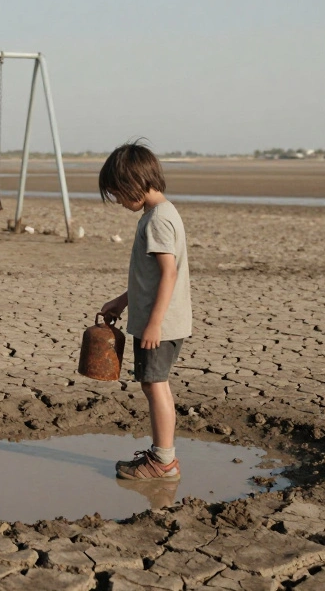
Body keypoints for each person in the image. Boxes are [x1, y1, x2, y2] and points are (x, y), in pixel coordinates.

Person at [98, 141, 192, 480]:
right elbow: (151, 277)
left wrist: (154, 324)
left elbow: (169, 273)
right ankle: (161, 456)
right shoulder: (161, 213)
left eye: (119, 194)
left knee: (155, 385)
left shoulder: (157, 221)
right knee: (154, 384)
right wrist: (122, 300)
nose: (120, 203)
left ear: (135, 183)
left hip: (160, 324)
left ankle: (163, 462)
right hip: (159, 319)